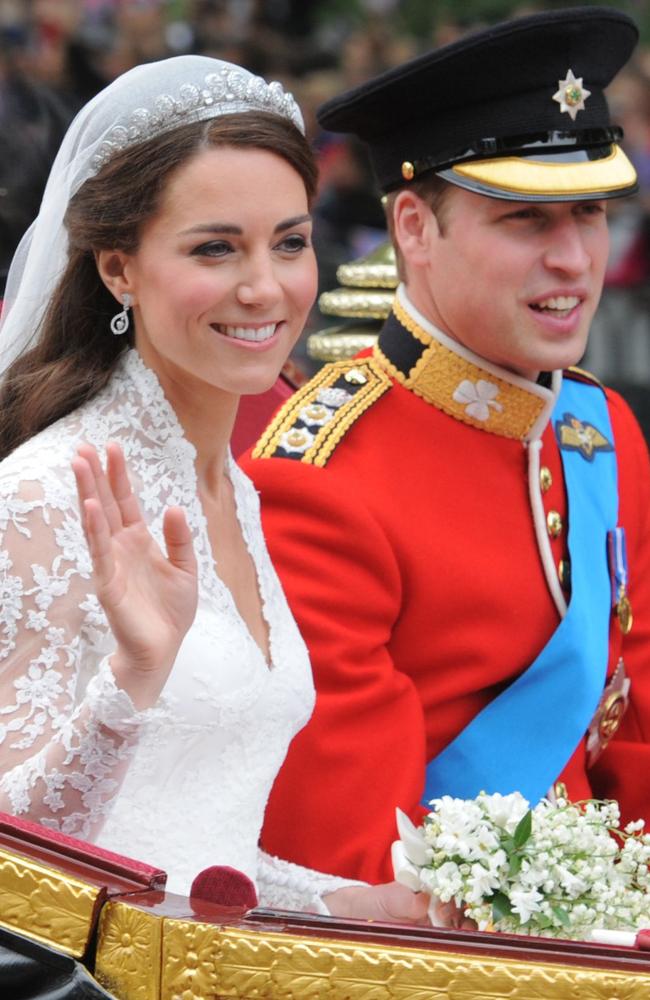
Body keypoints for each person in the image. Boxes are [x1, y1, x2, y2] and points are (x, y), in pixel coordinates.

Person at [0, 53, 428, 923]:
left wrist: (360, 906)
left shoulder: (235, 491)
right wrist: (131, 683)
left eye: (291, 242)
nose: (265, 287)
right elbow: (17, 860)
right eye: (214, 248)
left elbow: (198, 849)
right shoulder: (44, 496)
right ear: (118, 269)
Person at [241, 6, 650, 885]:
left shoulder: (602, 429)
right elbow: (353, 863)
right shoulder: (319, 478)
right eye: (526, 222)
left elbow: (635, 731)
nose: (576, 260)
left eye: (589, 214)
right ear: (415, 230)